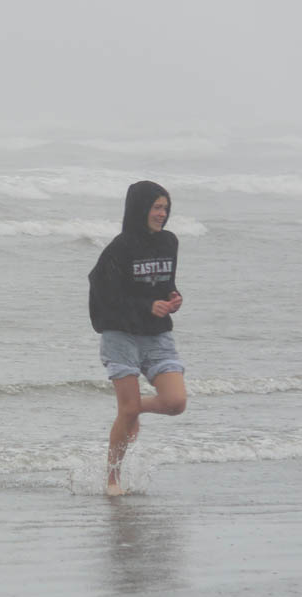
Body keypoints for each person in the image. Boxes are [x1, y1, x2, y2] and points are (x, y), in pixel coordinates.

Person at [88, 181, 186, 496]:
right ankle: (112, 478)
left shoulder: (169, 242)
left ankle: (131, 410)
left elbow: (163, 283)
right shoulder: (120, 248)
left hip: (156, 336)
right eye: (157, 207)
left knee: (175, 403)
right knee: (128, 411)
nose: (162, 214)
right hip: (121, 335)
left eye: (165, 208)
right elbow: (103, 292)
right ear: (140, 208)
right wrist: (146, 305)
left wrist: (172, 298)